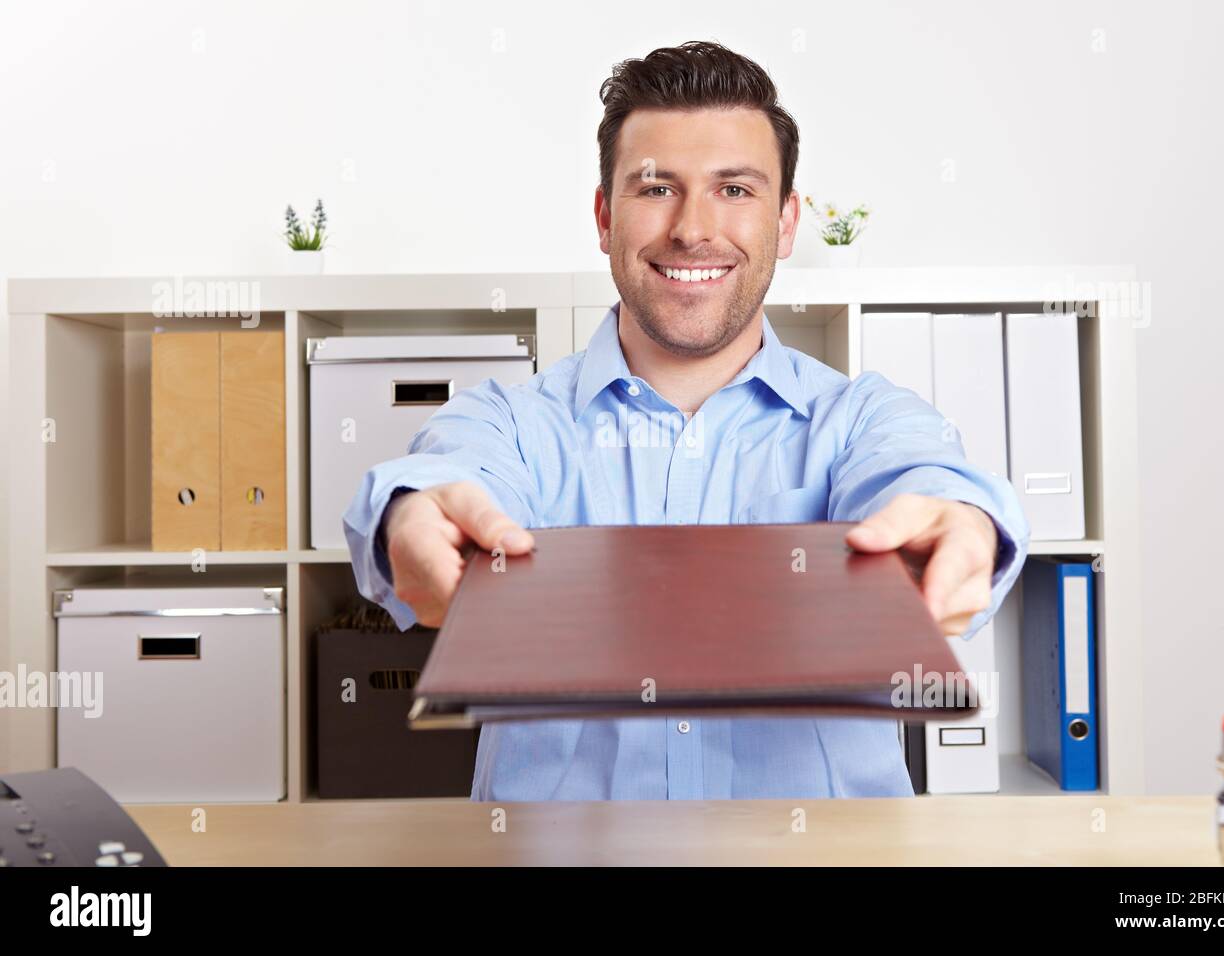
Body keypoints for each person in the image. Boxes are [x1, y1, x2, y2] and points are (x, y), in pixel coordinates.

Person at [344, 40, 1029, 800]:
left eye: (735, 190)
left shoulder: (860, 417)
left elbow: (924, 474)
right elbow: (450, 471)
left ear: (788, 221)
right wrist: (412, 514)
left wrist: (964, 522)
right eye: (655, 187)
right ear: (605, 216)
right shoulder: (511, 420)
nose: (693, 229)